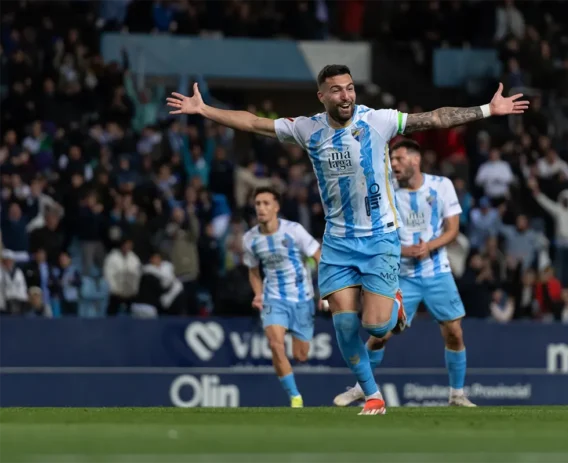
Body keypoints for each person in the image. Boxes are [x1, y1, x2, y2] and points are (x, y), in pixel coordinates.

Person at [167, 64, 528, 415]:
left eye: (351, 87)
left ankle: (395, 307)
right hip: (338, 242)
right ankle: (373, 396)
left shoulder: (378, 120)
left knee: (376, 326)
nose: (346, 95)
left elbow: (434, 118)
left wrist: (486, 110)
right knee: (342, 322)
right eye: (337, 89)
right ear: (322, 95)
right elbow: (253, 122)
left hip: (380, 238)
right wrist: (204, 110)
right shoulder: (307, 128)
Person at [333, 139, 475, 408]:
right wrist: (401, 250)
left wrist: (428, 247)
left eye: (398, 159)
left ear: (415, 160)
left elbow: (453, 229)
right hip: (400, 275)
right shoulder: (386, 191)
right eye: (392, 160)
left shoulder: (442, 186)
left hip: (436, 272)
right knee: (381, 334)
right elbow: (373, 231)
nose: (393, 164)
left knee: (454, 332)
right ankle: (361, 388)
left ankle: (457, 394)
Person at [242, 187, 322, 408]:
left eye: (266, 203)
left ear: (276, 207)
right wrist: (258, 294)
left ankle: (294, 382)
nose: (261, 208)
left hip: (302, 297)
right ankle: (295, 397)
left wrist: (324, 290)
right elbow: (253, 271)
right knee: (276, 345)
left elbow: (318, 256)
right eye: (258, 203)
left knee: (301, 355)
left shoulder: (294, 231)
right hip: (273, 298)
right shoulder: (250, 239)